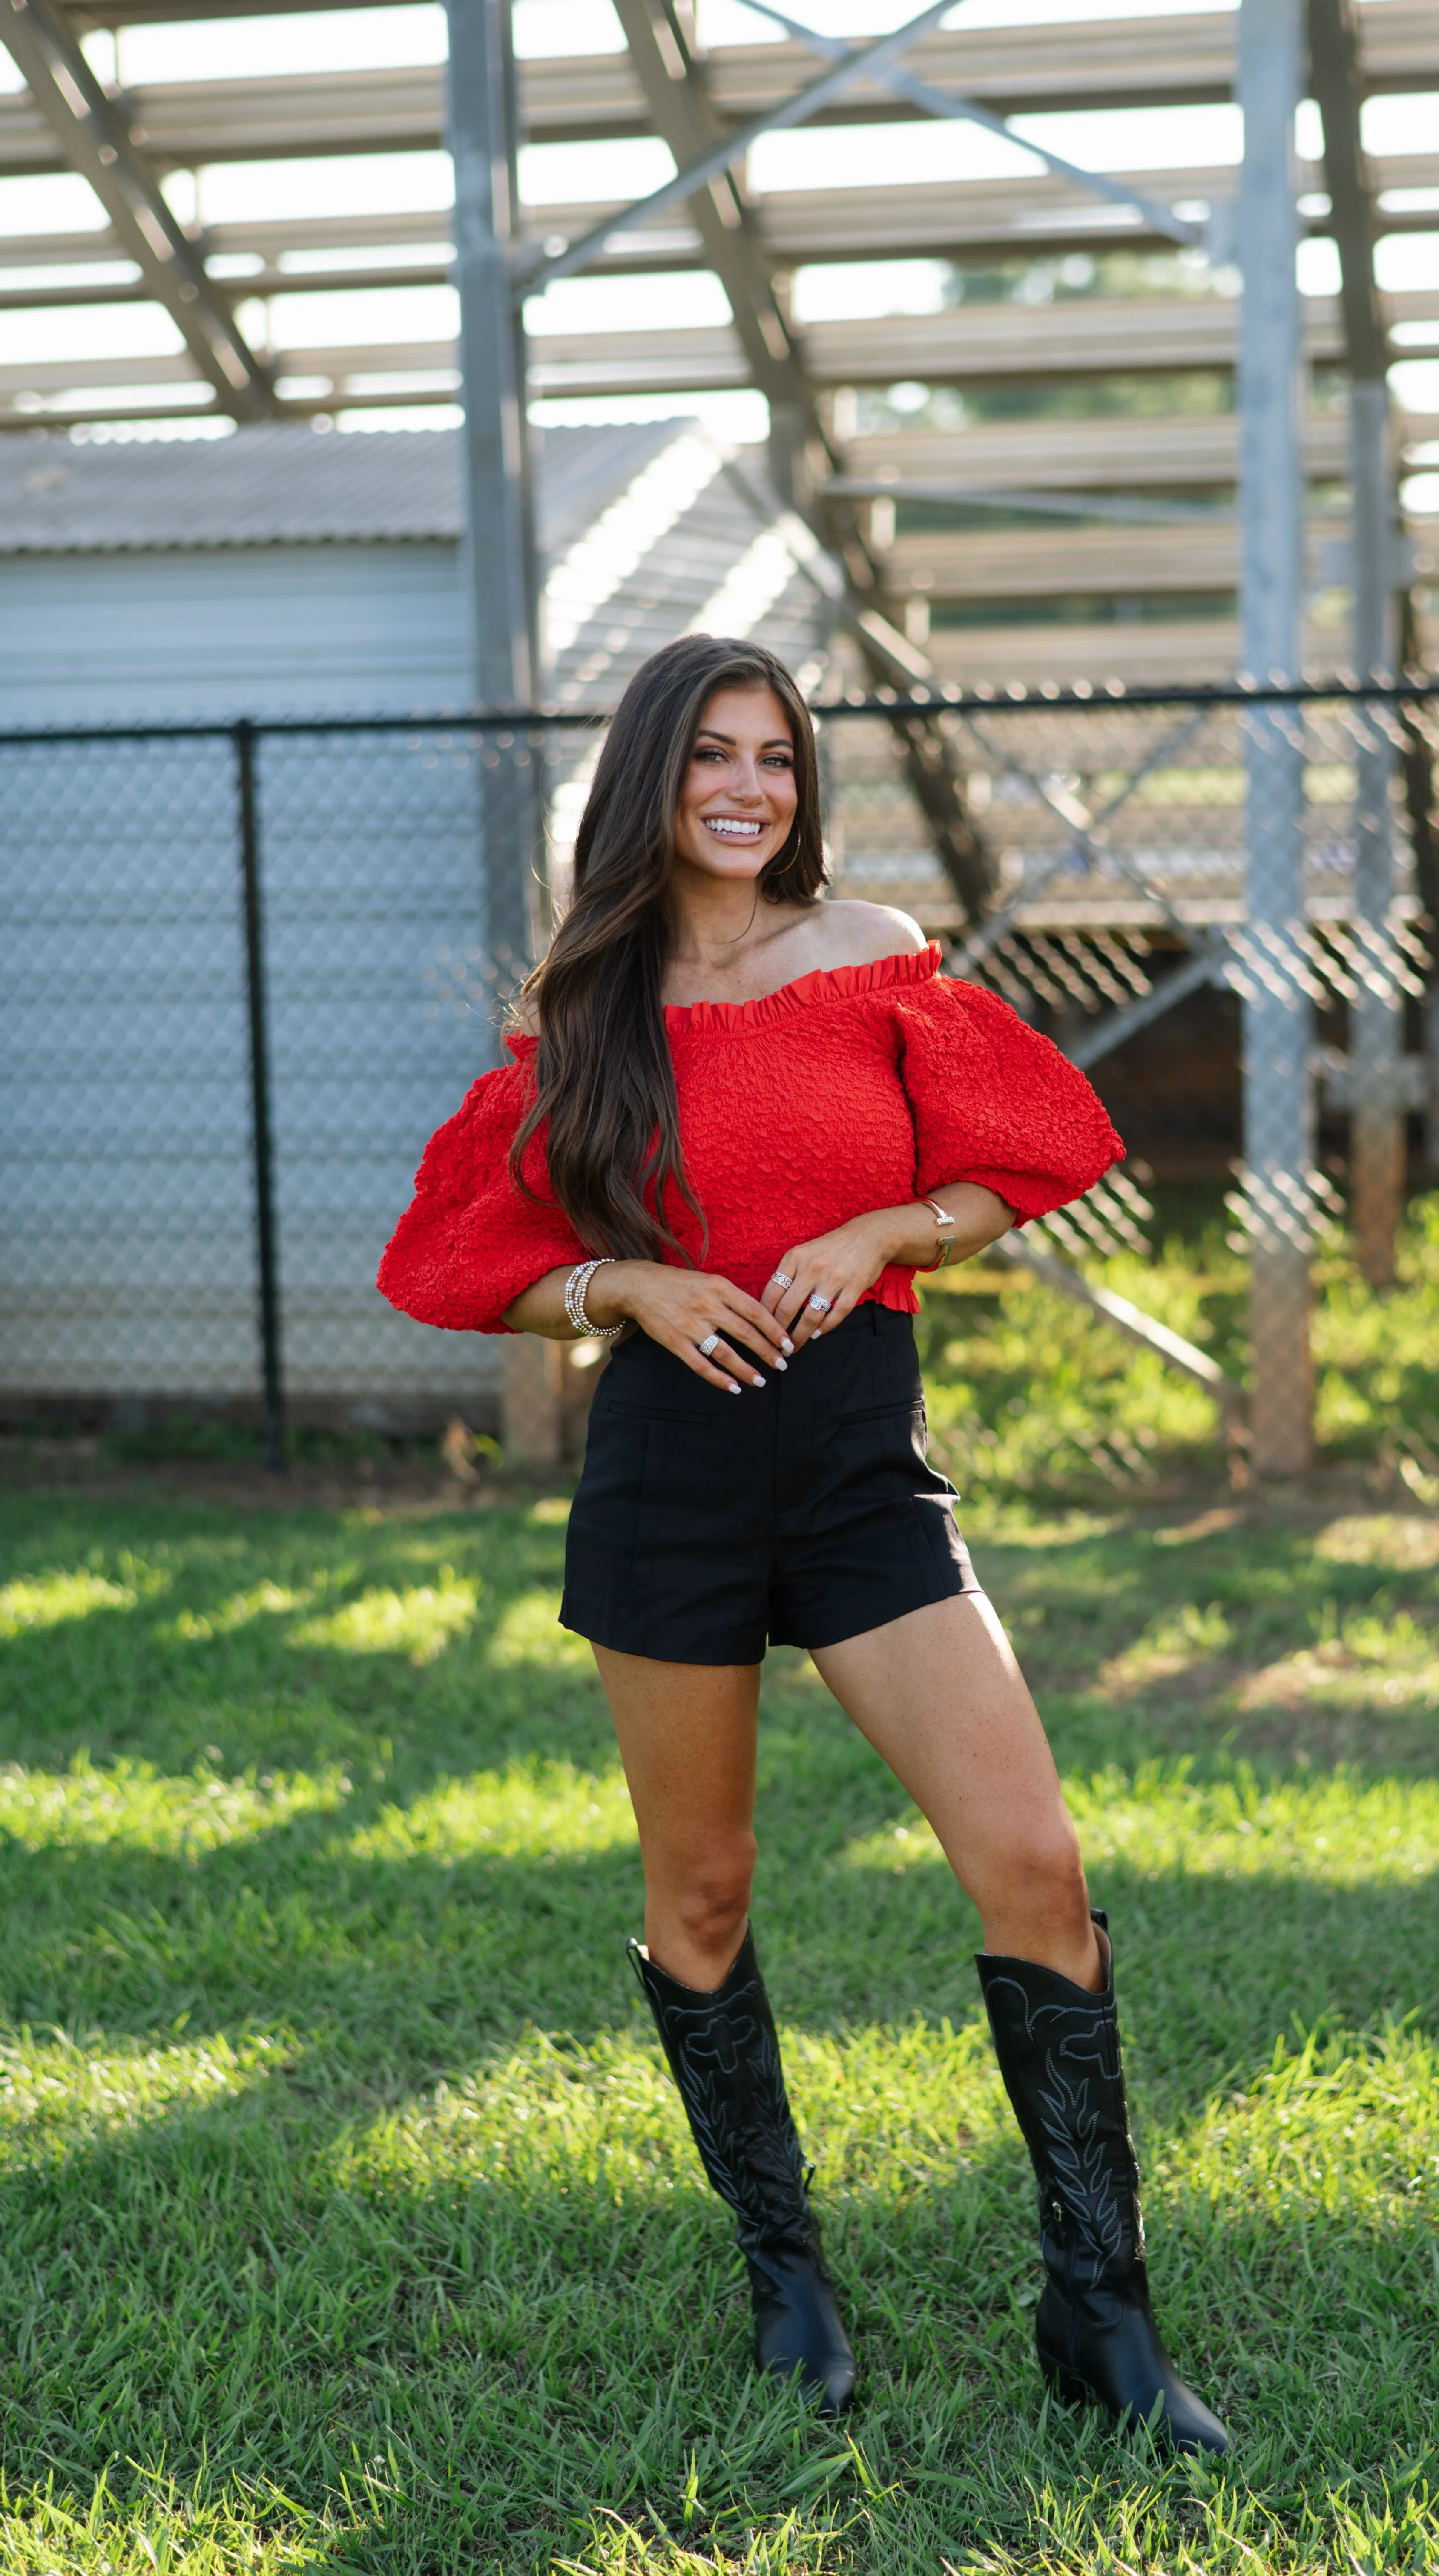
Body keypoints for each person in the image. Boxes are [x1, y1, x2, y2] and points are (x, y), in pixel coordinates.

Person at [378, 634, 1226, 2451]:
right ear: (650, 782)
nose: (748, 787)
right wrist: (628, 1286)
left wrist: (888, 1234)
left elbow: (1034, 1154)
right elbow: (453, 1255)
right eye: (710, 757)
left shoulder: (874, 955)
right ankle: (787, 2278)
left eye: (773, 754)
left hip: (859, 1472)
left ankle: (1104, 2317)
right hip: (671, 1478)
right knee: (700, 1894)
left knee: (1034, 1867)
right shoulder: (580, 1004)